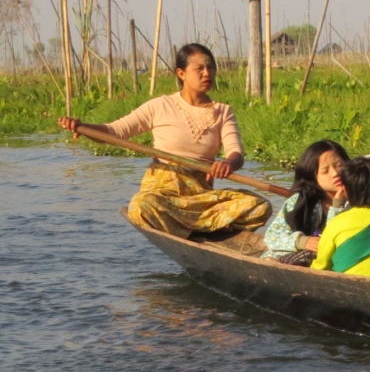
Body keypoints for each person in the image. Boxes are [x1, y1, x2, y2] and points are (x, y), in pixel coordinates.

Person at [59, 43, 270, 238]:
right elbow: (113, 131)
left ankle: (191, 225)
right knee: (141, 206)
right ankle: (204, 226)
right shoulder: (160, 106)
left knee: (260, 206)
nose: (207, 73)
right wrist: (83, 127)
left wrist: (227, 163)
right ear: (181, 73)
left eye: (211, 68)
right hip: (163, 192)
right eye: (199, 69)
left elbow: (236, 153)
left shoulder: (223, 112)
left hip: (199, 196)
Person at [262, 139, 350, 264]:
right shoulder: (300, 202)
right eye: (325, 171)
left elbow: (336, 240)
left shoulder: (358, 201)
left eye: (339, 166)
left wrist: (338, 205)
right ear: (312, 177)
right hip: (298, 259)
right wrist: (303, 241)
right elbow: (272, 238)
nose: (335, 173)